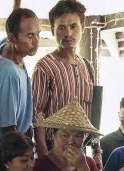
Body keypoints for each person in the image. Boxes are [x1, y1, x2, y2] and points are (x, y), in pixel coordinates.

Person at [32, 0, 95, 158]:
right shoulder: (45, 67)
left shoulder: (87, 66)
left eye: (73, 26)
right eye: (61, 28)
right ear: (53, 30)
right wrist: (45, 157)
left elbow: (92, 113)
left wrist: (97, 151)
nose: (68, 33)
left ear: (82, 27)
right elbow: (37, 117)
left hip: (82, 148)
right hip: (54, 149)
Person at [0, 6, 39, 142]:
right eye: (30, 36)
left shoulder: (4, 46)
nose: (36, 41)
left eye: (37, 34)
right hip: (7, 142)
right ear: (13, 38)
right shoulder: (9, 73)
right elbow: (8, 128)